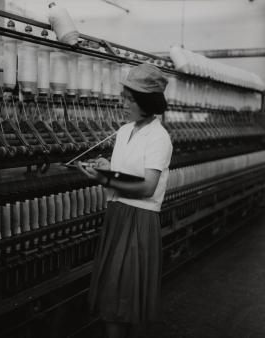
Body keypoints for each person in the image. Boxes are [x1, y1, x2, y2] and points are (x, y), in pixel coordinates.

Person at [78, 63, 173, 338]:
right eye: (125, 97)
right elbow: (130, 169)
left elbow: (147, 187)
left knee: (126, 300)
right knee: (113, 296)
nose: (124, 103)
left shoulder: (159, 138)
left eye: (130, 99)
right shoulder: (123, 131)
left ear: (146, 102)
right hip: (117, 216)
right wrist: (107, 164)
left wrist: (104, 179)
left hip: (139, 221)